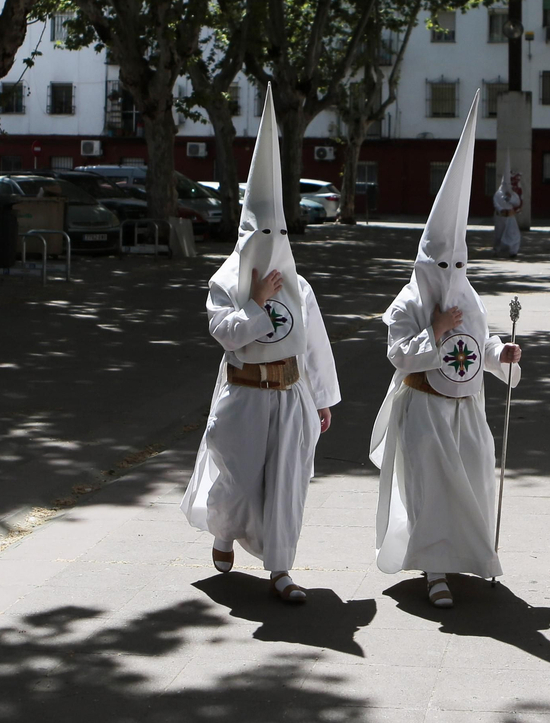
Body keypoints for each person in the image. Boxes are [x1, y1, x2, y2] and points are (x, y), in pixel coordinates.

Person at [181, 87, 340, 605]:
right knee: (239, 481)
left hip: (289, 396)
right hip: (244, 396)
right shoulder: (226, 282)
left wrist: (322, 398)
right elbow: (224, 334)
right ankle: (224, 529)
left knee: (288, 486)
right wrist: (255, 301)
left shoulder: (302, 287)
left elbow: (312, 344)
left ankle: (281, 568)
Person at [370, 94, 522, 608]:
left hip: (468, 408)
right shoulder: (406, 304)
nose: (449, 276)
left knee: (475, 480)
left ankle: (467, 557)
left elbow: (478, 344)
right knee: (431, 490)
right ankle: (434, 569)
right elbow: (399, 356)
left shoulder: (468, 296)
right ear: (423, 263)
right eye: (440, 266)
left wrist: (502, 356)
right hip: (424, 411)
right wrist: (433, 332)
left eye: (457, 266)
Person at [492, 154, 522, 258]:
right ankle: (497, 249)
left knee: (514, 234)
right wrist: (501, 209)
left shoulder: (513, 193)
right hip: (500, 217)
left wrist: (510, 198)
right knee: (499, 234)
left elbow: (517, 202)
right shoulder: (498, 193)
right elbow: (495, 203)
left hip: (510, 217)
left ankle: (513, 251)